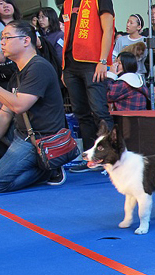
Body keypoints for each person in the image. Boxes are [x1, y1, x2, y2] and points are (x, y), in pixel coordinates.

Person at [0, 20, 67, 191]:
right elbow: (4, 113)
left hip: (39, 139)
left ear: (25, 41)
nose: (2, 42)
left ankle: (47, 167)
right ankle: (6, 162)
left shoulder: (38, 68)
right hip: (21, 132)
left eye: (7, 37)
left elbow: (19, 106)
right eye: (2, 38)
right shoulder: (19, 72)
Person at [61, 0, 115, 172]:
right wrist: (64, 67)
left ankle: (112, 157)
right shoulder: (68, 2)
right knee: (81, 114)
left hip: (92, 63)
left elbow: (108, 29)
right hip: (70, 64)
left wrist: (103, 61)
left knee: (99, 111)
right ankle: (90, 159)